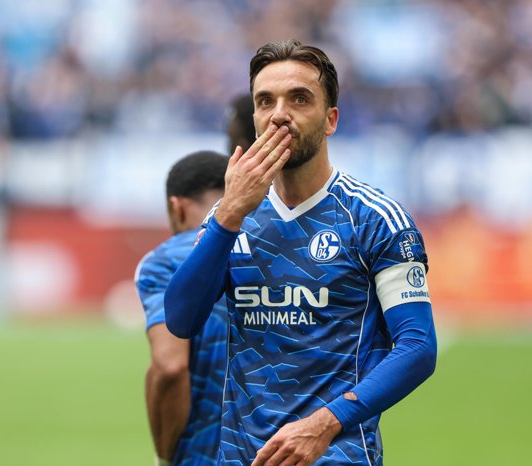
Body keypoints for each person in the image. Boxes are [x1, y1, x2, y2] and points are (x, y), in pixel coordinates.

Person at [165, 39, 437, 466]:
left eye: (299, 99)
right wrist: (229, 214)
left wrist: (326, 422)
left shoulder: (374, 218)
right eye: (265, 101)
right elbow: (181, 319)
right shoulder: (230, 216)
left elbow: (418, 346)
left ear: (330, 120)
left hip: (334, 454)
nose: (279, 114)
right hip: (242, 457)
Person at [134, 151, 229, 466]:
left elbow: (170, 366)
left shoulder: (165, 261)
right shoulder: (269, 248)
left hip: (202, 454)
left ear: (177, 207)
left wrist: (164, 456)